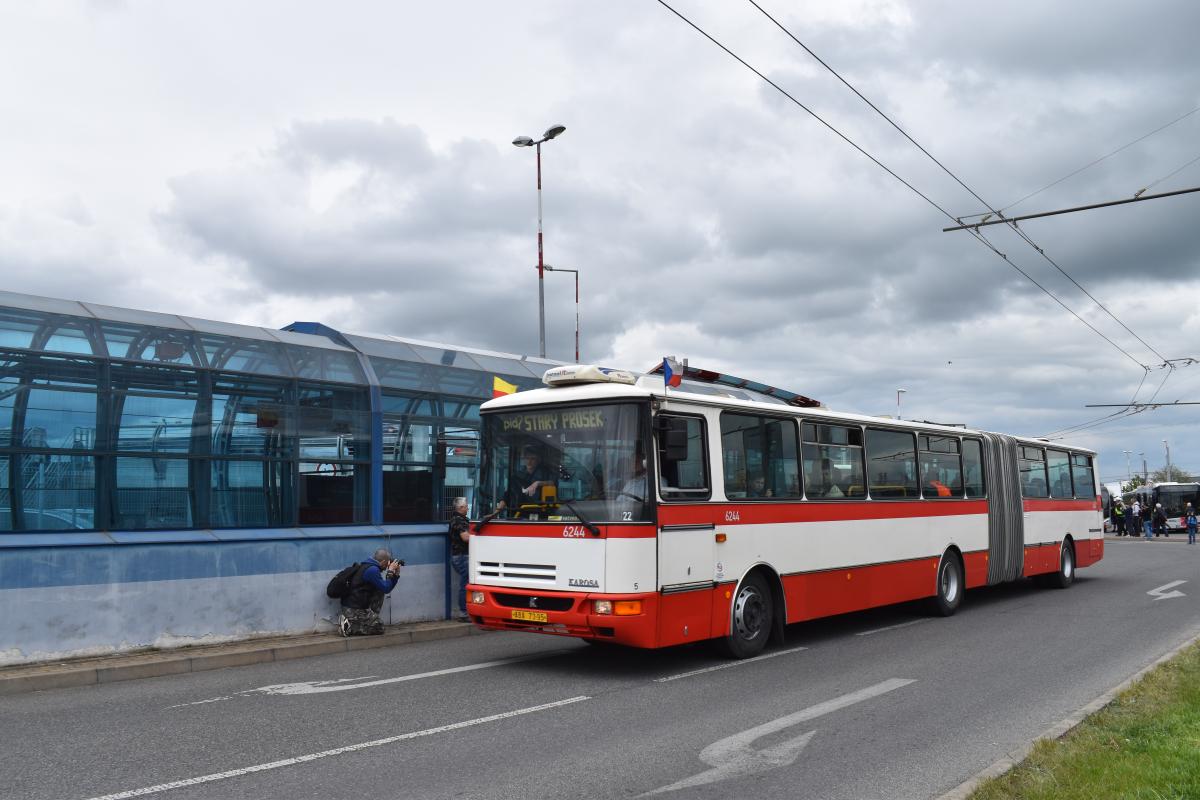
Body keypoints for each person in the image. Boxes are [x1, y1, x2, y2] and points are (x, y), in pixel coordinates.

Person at [339, 548, 403, 636]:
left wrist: (395, 575)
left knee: (379, 589)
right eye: (388, 563)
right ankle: (350, 627)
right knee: (379, 628)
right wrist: (390, 571)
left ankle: (369, 619)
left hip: (353, 606)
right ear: (384, 561)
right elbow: (386, 588)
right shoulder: (372, 570)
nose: (387, 566)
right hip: (354, 609)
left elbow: (384, 587)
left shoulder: (368, 566)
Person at [448, 496, 472, 620]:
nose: (468, 507)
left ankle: (466, 612)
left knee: (467, 583)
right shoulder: (457, 520)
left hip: (461, 556)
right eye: (466, 506)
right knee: (465, 584)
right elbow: (466, 537)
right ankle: (464, 613)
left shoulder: (461, 519)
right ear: (461, 507)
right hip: (461, 556)